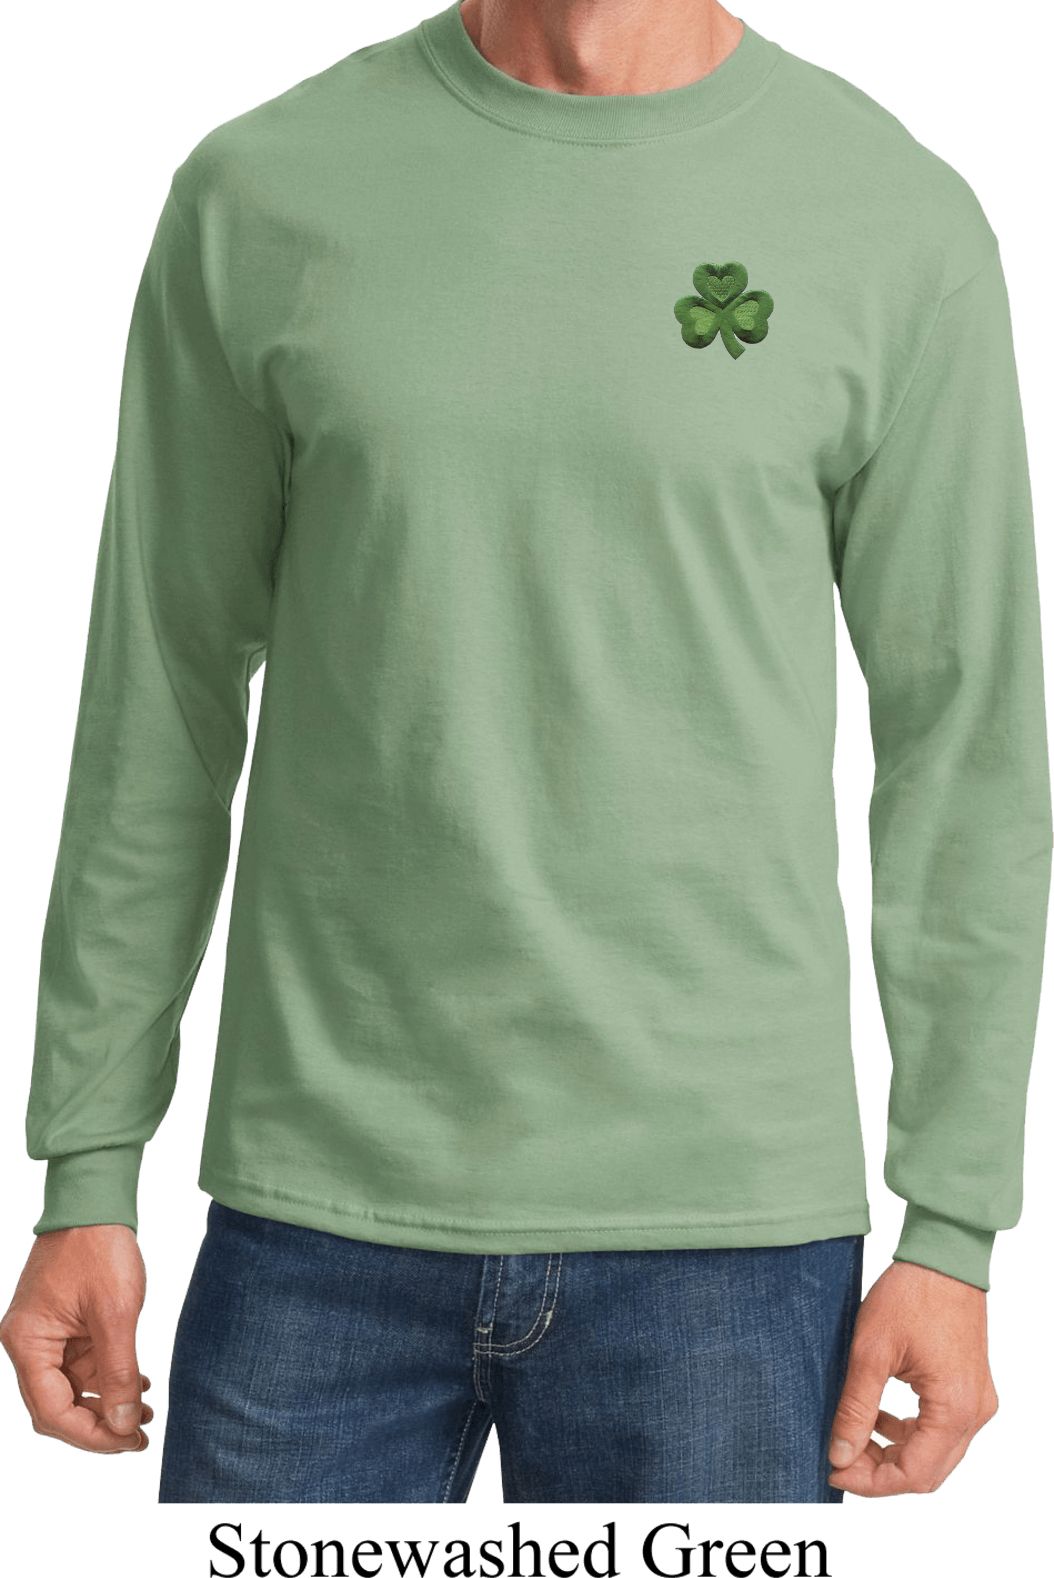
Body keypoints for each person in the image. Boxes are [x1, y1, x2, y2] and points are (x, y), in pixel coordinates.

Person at [1, 0, 1049, 1505]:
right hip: (316, 1223)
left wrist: (951, 1228)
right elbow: (156, 700)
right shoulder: (262, 191)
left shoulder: (893, 219)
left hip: (725, 1242)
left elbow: (967, 752)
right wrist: (89, 1168)